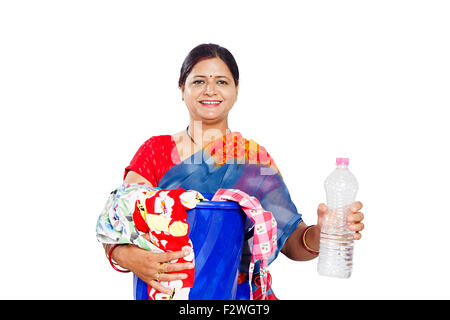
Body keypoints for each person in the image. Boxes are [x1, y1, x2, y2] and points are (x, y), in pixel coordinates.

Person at [101, 43, 365, 299]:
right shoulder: (155, 151)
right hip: (164, 292)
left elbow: (293, 241)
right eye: (198, 81)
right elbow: (114, 224)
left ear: (236, 90)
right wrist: (127, 256)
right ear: (182, 89)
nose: (210, 90)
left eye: (222, 81)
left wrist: (322, 235)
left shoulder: (253, 160)